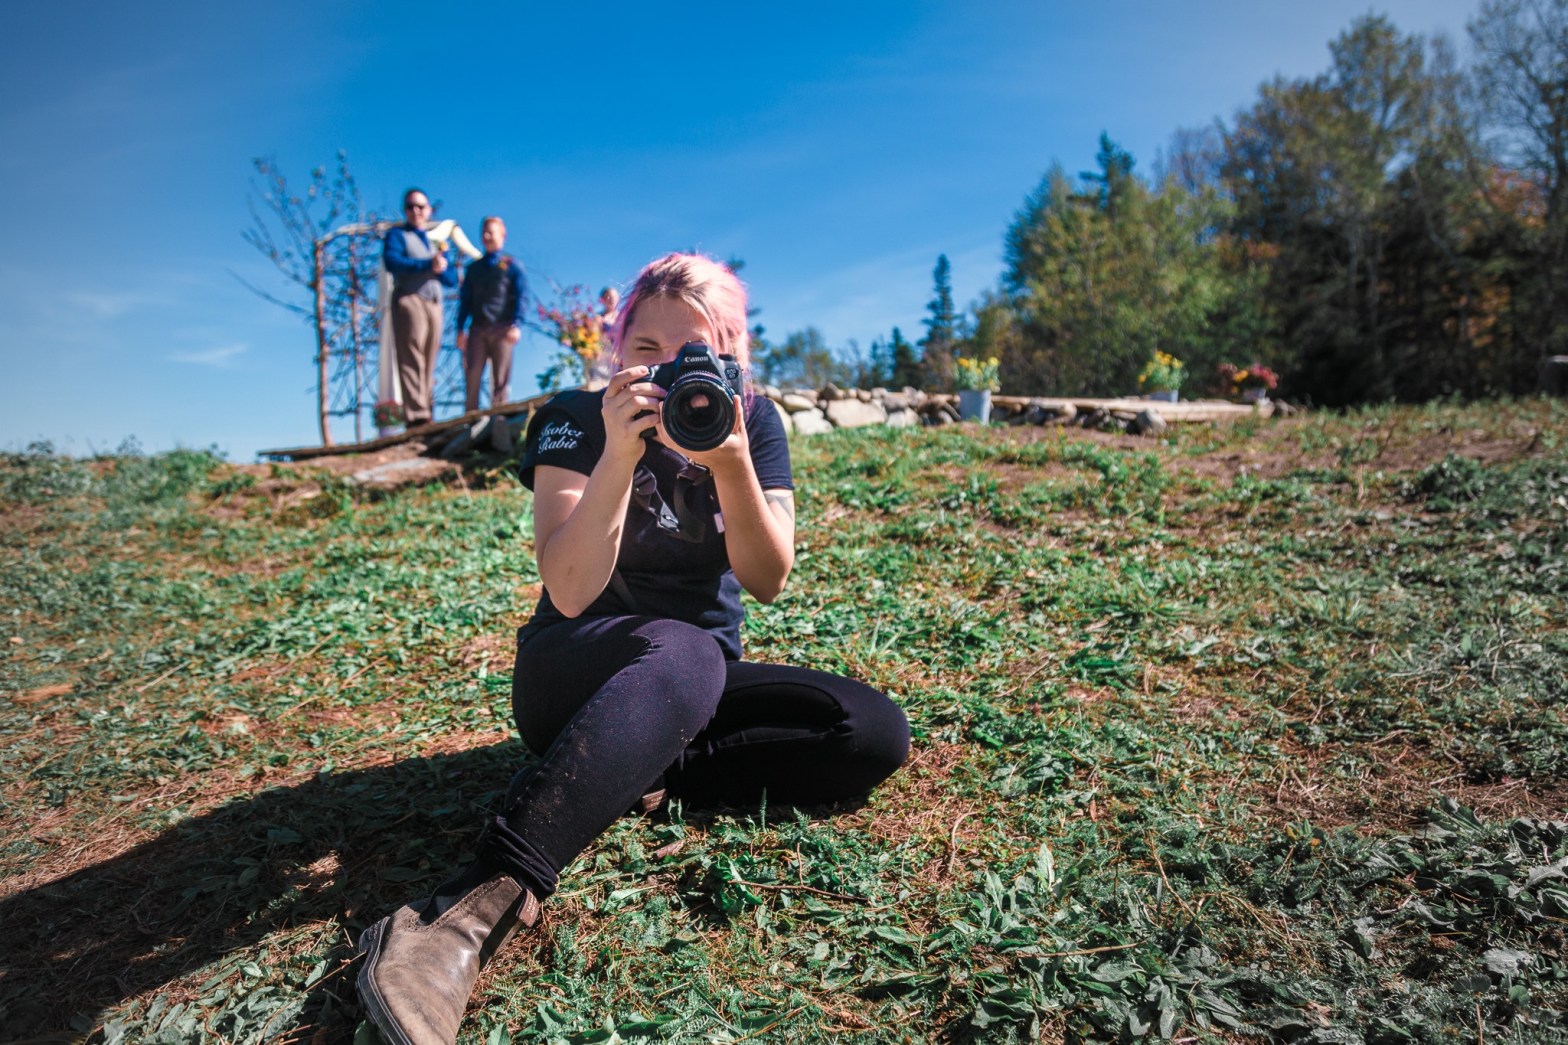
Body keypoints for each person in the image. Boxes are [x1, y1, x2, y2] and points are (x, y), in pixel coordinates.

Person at [356, 253, 910, 1045]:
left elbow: (768, 577)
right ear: (617, 350)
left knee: (868, 730)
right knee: (690, 652)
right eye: (647, 348)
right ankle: (459, 913)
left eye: (697, 352)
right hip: (572, 668)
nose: (671, 369)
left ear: (733, 359)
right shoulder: (578, 416)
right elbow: (570, 588)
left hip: (691, 689)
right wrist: (618, 455)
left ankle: (629, 767)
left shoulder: (752, 423)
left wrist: (730, 461)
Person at [383, 188, 460, 426]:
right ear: (405, 210)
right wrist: (427, 265)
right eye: (410, 206)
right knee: (411, 357)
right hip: (410, 299)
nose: (416, 211)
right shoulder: (398, 235)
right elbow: (392, 262)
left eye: (420, 206)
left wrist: (441, 267)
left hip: (434, 304)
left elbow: (451, 279)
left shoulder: (434, 241)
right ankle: (416, 415)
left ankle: (425, 409)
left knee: (428, 360)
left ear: (429, 210)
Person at [455, 216, 526, 413]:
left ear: (502, 235)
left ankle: (499, 417)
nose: (486, 236)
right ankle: (470, 418)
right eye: (484, 232)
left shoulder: (512, 266)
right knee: (472, 374)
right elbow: (465, 301)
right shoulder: (473, 269)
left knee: (501, 379)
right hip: (477, 329)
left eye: (491, 232)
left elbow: (521, 297)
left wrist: (516, 324)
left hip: (503, 328)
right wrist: (460, 329)